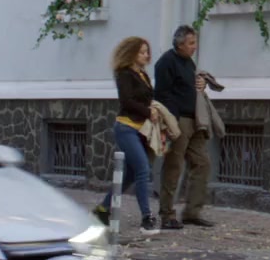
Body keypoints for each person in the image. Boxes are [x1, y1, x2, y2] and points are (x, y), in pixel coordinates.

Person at [92, 37, 161, 235]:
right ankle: (146, 218)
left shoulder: (143, 75)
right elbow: (127, 101)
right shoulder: (124, 74)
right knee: (143, 169)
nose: (146, 55)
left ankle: (102, 211)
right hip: (126, 128)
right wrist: (147, 112)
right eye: (142, 52)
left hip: (141, 129)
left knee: (130, 175)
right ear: (131, 53)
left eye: (147, 52)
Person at [154, 25, 214, 229]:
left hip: (195, 120)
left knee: (202, 163)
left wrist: (201, 84)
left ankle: (192, 212)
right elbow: (161, 93)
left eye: (194, 42)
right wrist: (173, 118)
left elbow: (191, 85)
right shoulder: (166, 62)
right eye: (191, 43)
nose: (194, 47)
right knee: (174, 166)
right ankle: (167, 214)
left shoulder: (189, 62)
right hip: (179, 121)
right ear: (180, 44)